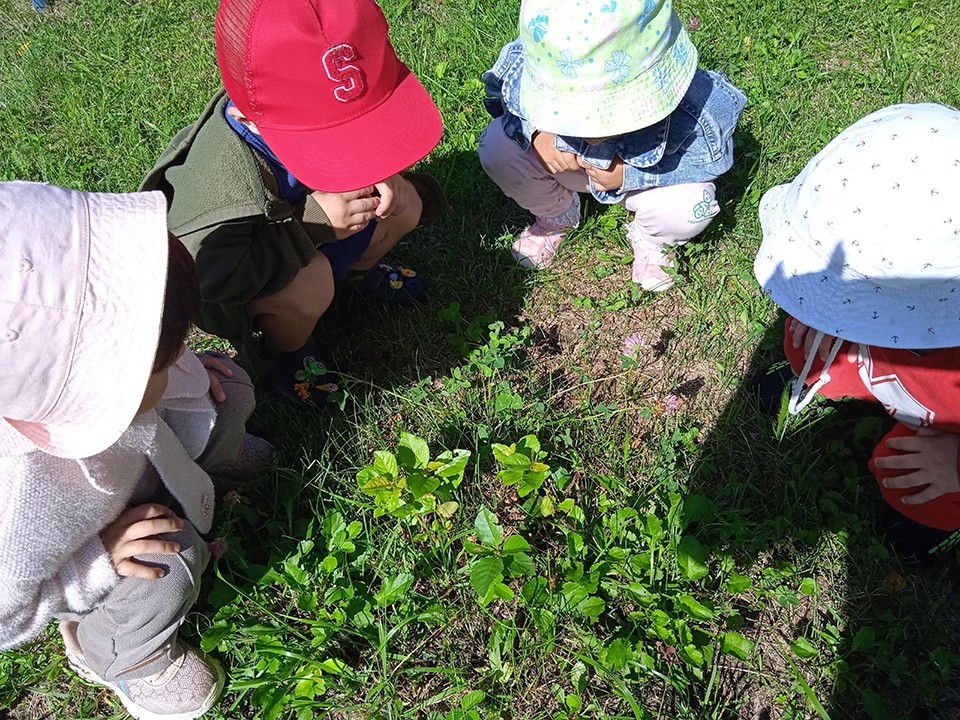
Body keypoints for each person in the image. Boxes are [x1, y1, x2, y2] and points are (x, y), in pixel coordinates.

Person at [0, 182, 271, 719]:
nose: (175, 363)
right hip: (100, 536)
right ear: (92, 387)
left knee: (228, 388)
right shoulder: (25, 494)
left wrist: (183, 368)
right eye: (159, 362)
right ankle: (123, 654)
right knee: (168, 557)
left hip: (147, 451)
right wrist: (98, 561)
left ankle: (210, 464)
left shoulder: (58, 375)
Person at [141, 0, 448, 408]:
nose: (351, 144)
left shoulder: (307, 93)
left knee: (403, 201)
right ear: (251, 119)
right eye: (332, 138)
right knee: (311, 282)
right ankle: (289, 351)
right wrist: (313, 226)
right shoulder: (219, 189)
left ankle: (363, 270)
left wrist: (380, 166)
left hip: (327, 228)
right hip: (255, 276)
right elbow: (207, 280)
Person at [753, 103, 960, 559]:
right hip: (887, 369)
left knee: (917, 478)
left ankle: (937, 523)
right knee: (807, 339)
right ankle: (809, 379)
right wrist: (827, 315)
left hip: (948, 431)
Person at [478, 0, 746, 291]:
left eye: (600, 115)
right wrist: (535, 131)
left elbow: (709, 162)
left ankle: (653, 239)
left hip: (647, 186)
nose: (581, 127)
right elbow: (504, 92)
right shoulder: (550, 52)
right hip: (567, 168)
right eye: (568, 111)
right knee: (497, 146)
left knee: (693, 205)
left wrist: (630, 175)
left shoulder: (696, 108)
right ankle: (557, 214)